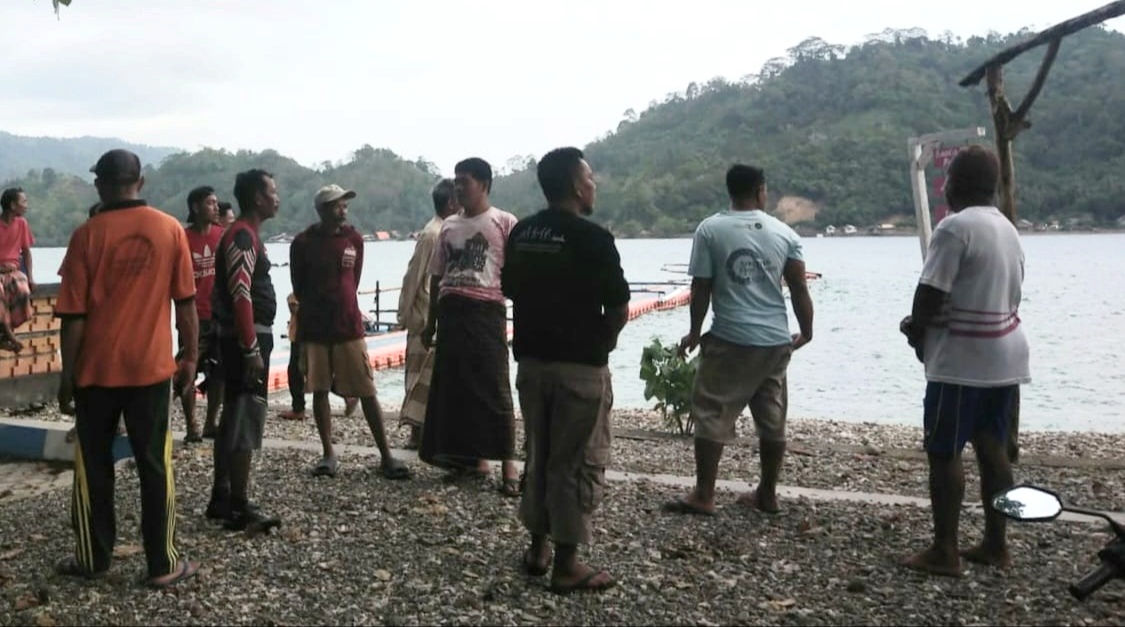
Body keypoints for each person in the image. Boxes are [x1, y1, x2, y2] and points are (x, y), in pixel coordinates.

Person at [53, 149, 199, 588]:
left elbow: (73, 317)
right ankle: (162, 564)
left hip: (96, 372)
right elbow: (186, 305)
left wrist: (67, 375)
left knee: (93, 466)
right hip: (151, 370)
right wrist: (189, 357)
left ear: (100, 183)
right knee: (155, 466)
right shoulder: (170, 229)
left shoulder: (85, 236)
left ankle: (94, 558)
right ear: (142, 180)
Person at [502, 147, 629, 594]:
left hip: (532, 363)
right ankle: (568, 563)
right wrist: (604, 343)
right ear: (577, 186)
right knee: (576, 462)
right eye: (590, 177)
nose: (594, 184)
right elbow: (617, 306)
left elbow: (510, 288)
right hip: (579, 367)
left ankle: (538, 548)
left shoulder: (522, 233)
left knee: (539, 454)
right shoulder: (593, 239)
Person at [899, 145, 1029, 577]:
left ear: (954, 186)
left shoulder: (954, 228)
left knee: (944, 450)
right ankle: (996, 545)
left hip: (961, 361)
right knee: (993, 450)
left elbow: (930, 292)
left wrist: (915, 329)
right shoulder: (1008, 229)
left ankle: (945, 549)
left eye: (948, 181)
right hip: (1005, 356)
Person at [665, 164, 814, 517]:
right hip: (776, 340)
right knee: (772, 417)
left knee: (712, 412)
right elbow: (798, 287)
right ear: (761, 191)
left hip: (730, 338)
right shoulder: (785, 233)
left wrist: (695, 330)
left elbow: (701, 287)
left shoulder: (710, 230)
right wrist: (806, 331)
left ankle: (704, 494)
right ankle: (768, 493)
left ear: (730, 191)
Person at [289, 184, 410, 480]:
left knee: (367, 390)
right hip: (316, 329)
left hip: (349, 327)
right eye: (337, 205)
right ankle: (328, 454)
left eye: (345, 205)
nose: (343, 210)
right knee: (319, 390)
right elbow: (299, 284)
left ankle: (386, 455)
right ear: (322, 210)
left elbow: (352, 281)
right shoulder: (303, 242)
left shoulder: (354, 239)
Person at [420, 158, 521, 495]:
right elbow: (437, 277)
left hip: (486, 310)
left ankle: (508, 466)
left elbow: (518, 273)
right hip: (452, 309)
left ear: (484, 184)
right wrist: (430, 321)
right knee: (455, 388)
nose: (459, 188)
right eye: (456, 182)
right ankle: (469, 460)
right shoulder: (448, 226)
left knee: (494, 386)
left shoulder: (504, 222)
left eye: (465, 182)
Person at [207, 169, 283, 533]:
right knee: (244, 417)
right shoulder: (242, 235)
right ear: (257, 198)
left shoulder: (244, 234)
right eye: (272, 191)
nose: (277, 197)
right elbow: (240, 292)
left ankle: (222, 495)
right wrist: (251, 346)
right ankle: (238, 503)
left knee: (234, 415)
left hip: (241, 338)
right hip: (245, 342)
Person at [396, 178, 460, 449]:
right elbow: (414, 276)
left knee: (430, 378)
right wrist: (404, 314)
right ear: (450, 203)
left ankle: (429, 433)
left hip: (434, 314)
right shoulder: (432, 234)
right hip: (423, 315)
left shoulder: (447, 231)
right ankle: (416, 435)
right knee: (418, 377)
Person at [178, 186, 225, 443]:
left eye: (216, 202)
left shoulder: (222, 236)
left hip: (218, 316)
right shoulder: (182, 239)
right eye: (210, 203)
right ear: (196, 207)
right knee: (188, 369)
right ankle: (191, 424)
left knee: (218, 373)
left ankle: (210, 421)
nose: (215, 207)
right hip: (191, 316)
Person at [277, 292, 359, 421]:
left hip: (304, 332)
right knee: (308, 370)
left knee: (297, 370)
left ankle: (299, 408)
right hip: (308, 331)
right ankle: (347, 395)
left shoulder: (307, 288)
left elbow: (297, 306)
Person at [0, 187, 35, 353]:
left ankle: (6, 334)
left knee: (22, 290)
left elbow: (27, 252)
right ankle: (8, 335)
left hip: (14, 272)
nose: (26, 206)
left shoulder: (22, 224)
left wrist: (31, 277)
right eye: (24, 202)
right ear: (13, 205)